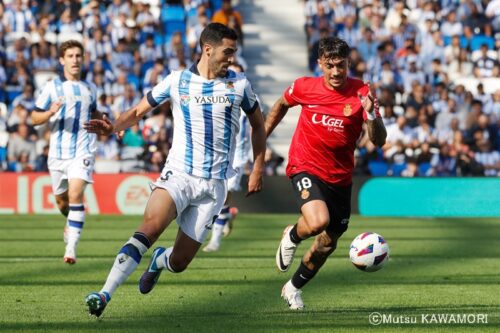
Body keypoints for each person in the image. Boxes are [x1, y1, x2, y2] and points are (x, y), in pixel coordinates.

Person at [83, 23, 266, 318]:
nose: (232, 58)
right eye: (227, 51)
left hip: (213, 187)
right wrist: (113, 126)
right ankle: (104, 293)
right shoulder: (176, 81)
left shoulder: (240, 85)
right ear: (208, 49)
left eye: (233, 52)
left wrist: (257, 168)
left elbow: (258, 125)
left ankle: (159, 261)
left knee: (179, 262)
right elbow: (139, 110)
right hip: (178, 174)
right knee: (150, 228)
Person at [264, 37, 387, 310]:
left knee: (326, 244)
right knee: (318, 221)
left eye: (340, 65)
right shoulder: (304, 86)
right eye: (329, 65)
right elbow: (281, 105)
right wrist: (261, 137)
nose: (335, 72)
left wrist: (370, 116)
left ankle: (293, 288)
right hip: (305, 164)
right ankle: (294, 235)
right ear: (320, 63)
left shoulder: (362, 93)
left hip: (340, 177)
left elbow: (378, 140)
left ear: (348, 63)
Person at [31, 40, 102, 265]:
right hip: (57, 154)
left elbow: (95, 112)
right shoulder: (52, 87)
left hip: (82, 151)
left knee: (75, 196)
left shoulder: (91, 88)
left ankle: (71, 249)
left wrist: (110, 127)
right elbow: (34, 118)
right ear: (62, 60)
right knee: (63, 203)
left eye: (78, 56)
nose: (75, 60)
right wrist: (50, 112)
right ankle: (70, 222)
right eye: (70, 56)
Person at [202, 63, 252, 252]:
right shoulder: (218, 94)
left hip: (238, 156)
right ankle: (228, 216)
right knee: (218, 196)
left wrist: (255, 155)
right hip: (219, 152)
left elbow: (256, 125)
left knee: (222, 197)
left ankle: (215, 240)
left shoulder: (247, 94)